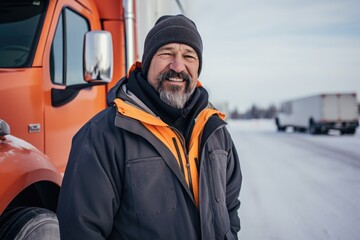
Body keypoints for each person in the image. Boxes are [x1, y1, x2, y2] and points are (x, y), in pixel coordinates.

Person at [57, 14, 242, 240]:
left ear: (198, 66)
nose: (177, 66)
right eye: (166, 53)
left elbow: (230, 208)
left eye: (188, 56)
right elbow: (81, 229)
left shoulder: (216, 133)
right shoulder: (104, 135)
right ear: (146, 62)